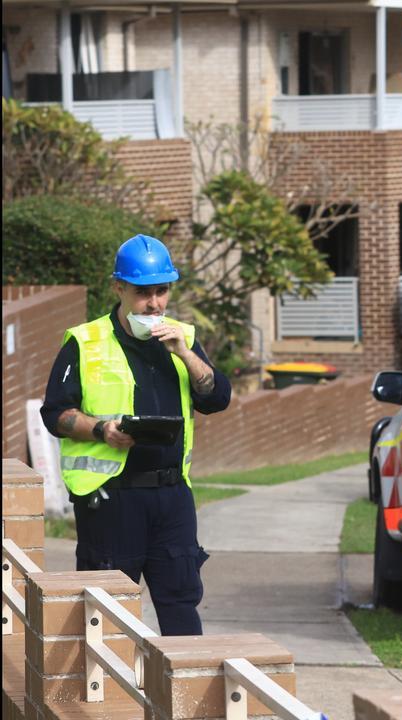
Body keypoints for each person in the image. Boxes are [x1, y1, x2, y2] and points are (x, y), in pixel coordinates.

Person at [41, 234, 231, 636]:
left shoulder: (183, 338)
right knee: (106, 611)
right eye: (144, 293)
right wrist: (100, 429)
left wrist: (185, 353)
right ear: (119, 288)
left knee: (181, 599)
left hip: (172, 496)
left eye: (162, 291)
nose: (155, 303)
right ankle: (110, 698)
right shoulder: (86, 342)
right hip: (112, 496)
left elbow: (217, 397)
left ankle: (182, 695)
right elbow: (55, 413)